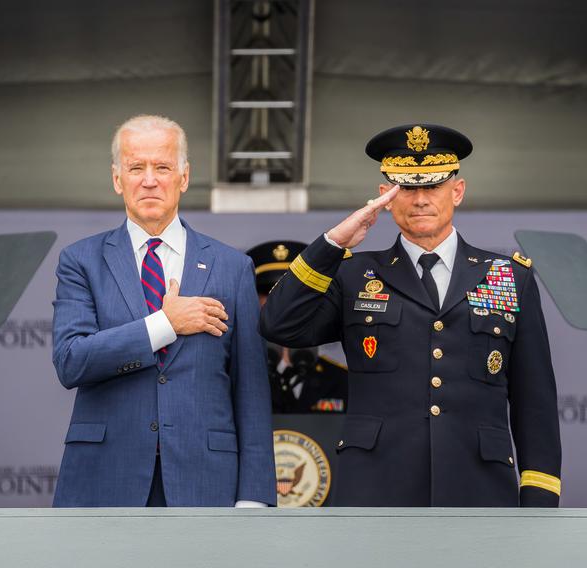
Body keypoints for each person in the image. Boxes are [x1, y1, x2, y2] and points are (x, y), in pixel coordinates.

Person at [260, 124, 561, 506]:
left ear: (458, 191)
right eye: (407, 188)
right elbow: (280, 324)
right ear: (385, 196)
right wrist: (333, 244)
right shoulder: (353, 273)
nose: (420, 199)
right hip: (375, 488)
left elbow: (533, 400)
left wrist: (539, 497)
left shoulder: (507, 275)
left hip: (479, 488)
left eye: (433, 186)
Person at [51, 115, 275, 507]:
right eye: (136, 167)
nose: (149, 180)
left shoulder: (231, 266)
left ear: (184, 178)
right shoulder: (80, 261)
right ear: (117, 179)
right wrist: (164, 324)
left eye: (163, 167)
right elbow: (71, 361)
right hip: (105, 478)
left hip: (206, 480)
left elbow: (251, 390)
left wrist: (254, 496)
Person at [246, 240, 348, 414]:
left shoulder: (344, 380)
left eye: (295, 296)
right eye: (268, 291)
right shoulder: (238, 377)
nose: (281, 303)